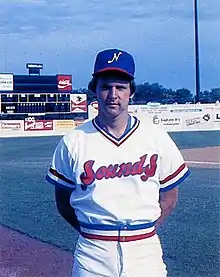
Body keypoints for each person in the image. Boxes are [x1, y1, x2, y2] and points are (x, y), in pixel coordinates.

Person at [46, 48, 190, 277]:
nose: (113, 94)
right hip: (93, 254)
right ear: (95, 91)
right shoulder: (74, 141)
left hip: (145, 251)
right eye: (106, 87)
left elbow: (170, 197)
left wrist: (143, 231)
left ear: (131, 92)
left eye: (121, 87)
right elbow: (63, 202)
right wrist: (92, 230)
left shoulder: (156, 137)